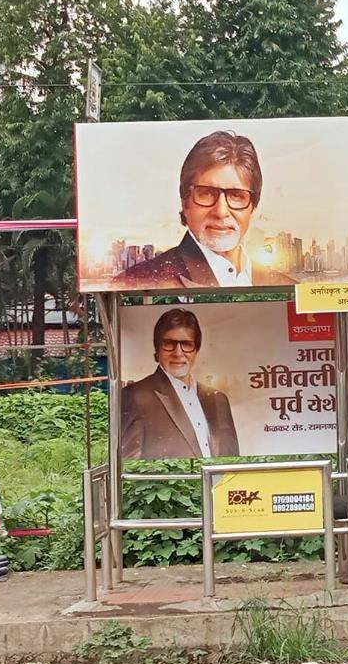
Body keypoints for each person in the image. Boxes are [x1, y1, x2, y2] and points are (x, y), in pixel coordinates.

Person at [115, 130, 294, 289]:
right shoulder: (137, 280)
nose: (221, 211)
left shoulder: (286, 285)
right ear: (185, 202)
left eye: (236, 195)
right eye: (207, 193)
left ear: (252, 207)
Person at [120, 308, 240, 459]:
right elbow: (129, 465)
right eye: (169, 343)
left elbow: (232, 461)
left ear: (196, 350)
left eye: (186, 344)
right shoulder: (134, 396)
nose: (178, 352)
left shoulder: (218, 399)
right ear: (157, 349)